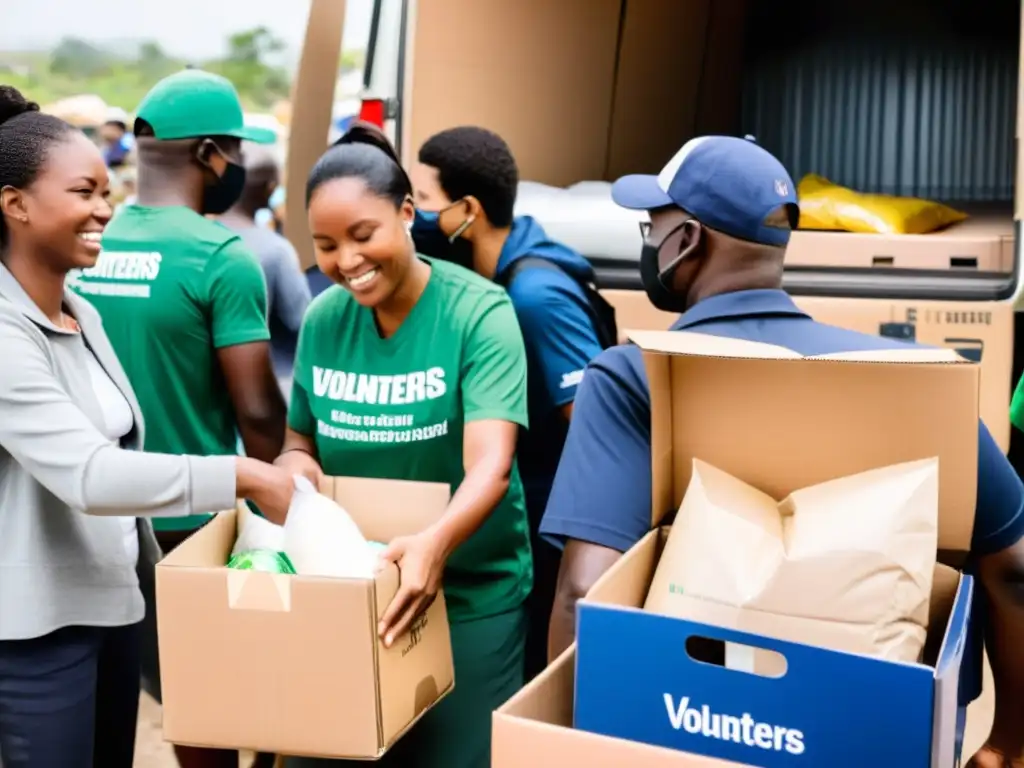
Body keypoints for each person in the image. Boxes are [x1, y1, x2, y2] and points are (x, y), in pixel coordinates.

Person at [538, 135, 1024, 768]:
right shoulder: (916, 380)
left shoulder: (635, 378)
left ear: (686, 241)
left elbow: (584, 591)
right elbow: (1015, 570)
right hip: (869, 736)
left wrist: (559, 748)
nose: (648, 241)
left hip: (686, 723)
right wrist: (1005, 744)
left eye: (653, 225)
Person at [0, 85, 293, 768]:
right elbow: (89, 472)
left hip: (112, 607)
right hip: (35, 631)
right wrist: (247, 477)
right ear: (15, 204)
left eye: (107, 191)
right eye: (84, 192)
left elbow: (118, 436)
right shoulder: (6, 333)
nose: (105, 209)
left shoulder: (81, 312)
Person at [276, 124, 533, 768]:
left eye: (363, 235)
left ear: (408, 213)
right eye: (326, 245)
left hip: (469, 597)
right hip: (350, 593)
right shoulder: (323, 321)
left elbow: (491, 463)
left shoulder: (480, 313)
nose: (347, 261)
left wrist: (434, 545)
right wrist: (296, 473)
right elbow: (299, 440)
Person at [409, 125, 609, 679]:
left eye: (423, 200)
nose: (415, 216)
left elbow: (595, 423)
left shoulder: (534, 298)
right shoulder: (500, 271)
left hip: (551, 527)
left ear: (468, 210)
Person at [220, 144, 312, 387]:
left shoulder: (195, 240)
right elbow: (303, 322)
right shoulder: (275, 250)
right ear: (270, 189)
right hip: (268, 384)